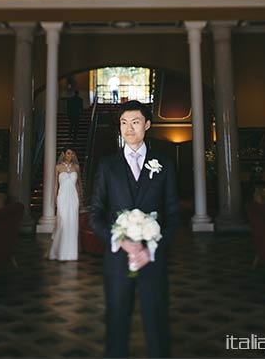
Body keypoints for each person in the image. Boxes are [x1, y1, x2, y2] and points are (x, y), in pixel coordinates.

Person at [89, 100, 179, 358]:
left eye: (135, 122)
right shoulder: (107, 165)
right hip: (117, 262)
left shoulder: (164, 164)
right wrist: (121, 241)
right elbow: (95, 215)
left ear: (147, 125)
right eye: (124, 123)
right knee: (116, 328)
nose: (129, 128)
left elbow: (173, 217)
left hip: (153, 262)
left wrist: (151, 249)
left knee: (157, 327)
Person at [47, 146, 82, 261]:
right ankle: (59, 251)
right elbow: (56, 184)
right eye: (68, 153)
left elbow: (78, 184)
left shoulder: (76, 167)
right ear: (63, 154)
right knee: (62, 222)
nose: (70, 156)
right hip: (62, 197)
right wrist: (55, 197)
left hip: (73, 198)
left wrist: (80, 197)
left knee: (72, 223)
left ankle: (71, 253)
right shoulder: (58, 167)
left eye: (72, 154)